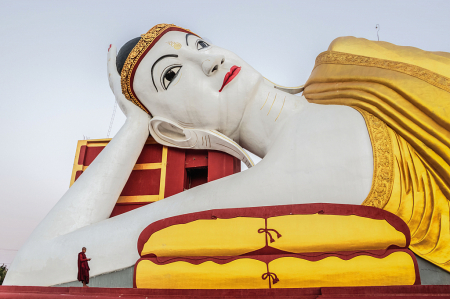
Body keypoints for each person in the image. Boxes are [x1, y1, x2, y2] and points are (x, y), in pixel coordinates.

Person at [4, 24, 450, 286]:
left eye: (198, 45)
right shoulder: (276, 180)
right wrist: (137, 126)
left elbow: (31, 264)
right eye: (173, 75)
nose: (210, 61)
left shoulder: (342, 67)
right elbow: (30, 268)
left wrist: (136, 120)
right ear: (173, 131)